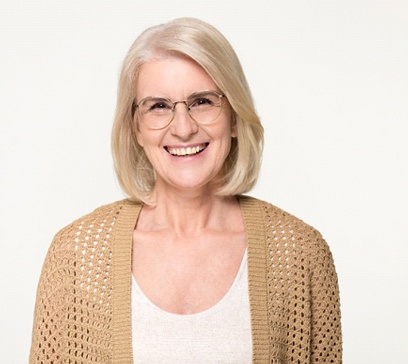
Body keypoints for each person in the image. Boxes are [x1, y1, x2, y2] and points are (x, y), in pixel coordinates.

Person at [29, 17, 342, 363]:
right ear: (136, 128)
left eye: (203, 102)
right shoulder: (75, 257)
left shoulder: (301, 255)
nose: (182, 128)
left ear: (234, 117)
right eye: (159, 106)